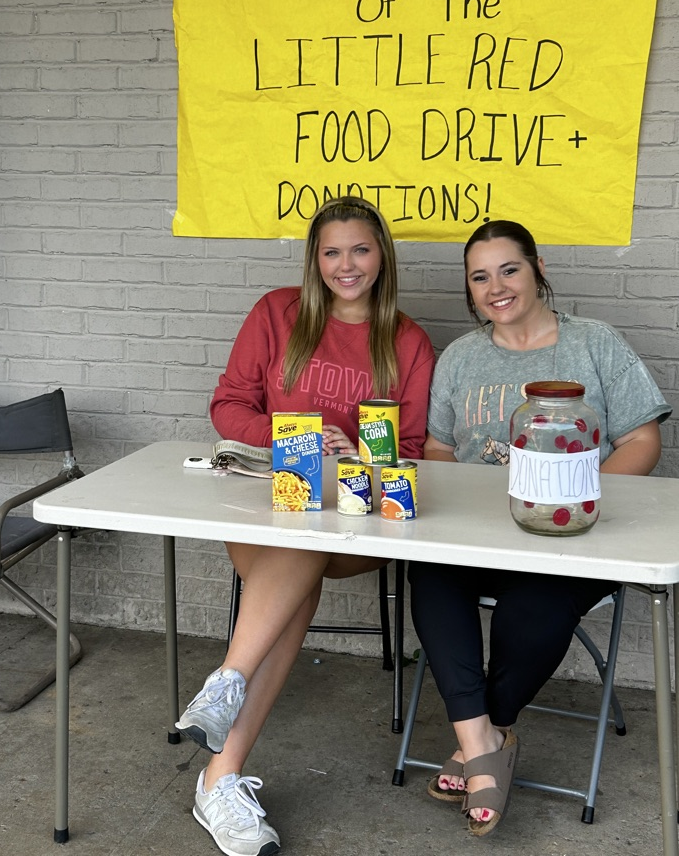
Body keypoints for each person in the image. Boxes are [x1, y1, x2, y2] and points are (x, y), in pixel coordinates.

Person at [178, 196, 435, 856]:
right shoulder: (276, 313)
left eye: (360, 250)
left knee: (307, 552)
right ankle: (219, 778)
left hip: (358, 517)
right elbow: (228, 406)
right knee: (298, 553)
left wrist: (361, 452)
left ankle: (226, 686)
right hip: (268, 502)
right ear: (314, 259)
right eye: (331, 252)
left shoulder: (406, 340)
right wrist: (295, 436)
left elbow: (410, 444)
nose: (345, 265)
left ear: (382, 255)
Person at [409, 219, 671, 838]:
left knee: (534, 608)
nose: (496, 286)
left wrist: (577, 502)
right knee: (431, 575)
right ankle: (485, 743)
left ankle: (480, 739)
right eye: (480, 277)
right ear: (470, 291)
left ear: (538, 269)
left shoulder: (595, 344)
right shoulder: (460, 359)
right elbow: (439, 452)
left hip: (572, 538)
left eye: (509, 269)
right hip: (478, 535)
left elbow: (643, 439)